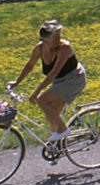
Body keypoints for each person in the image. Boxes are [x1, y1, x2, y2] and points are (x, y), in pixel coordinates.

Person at [10, 18, 87, 160]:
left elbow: (53, 73)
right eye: (55, 37)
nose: (59, 39)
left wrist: (36, 92)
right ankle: (59, 144)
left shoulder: (65, 48)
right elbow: (29, 66)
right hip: (60, 81)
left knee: (42, 101)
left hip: (74, 80)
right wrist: (16, 82)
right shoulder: (39, 49)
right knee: (51, 115)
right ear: (45, 40)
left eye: (59, 36)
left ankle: (64, 131)